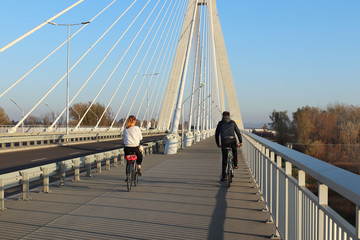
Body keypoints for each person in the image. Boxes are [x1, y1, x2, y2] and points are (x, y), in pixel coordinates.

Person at [215, 111, 242, 181]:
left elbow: (216, 134)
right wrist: (240, 142)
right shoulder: (232, 122)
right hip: (232, 140)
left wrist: (218, 143)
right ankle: (235, 164)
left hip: (224, 141)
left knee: (224, 159)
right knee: (234, 151)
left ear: (223, 116)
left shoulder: (220, 123)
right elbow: (238, 132)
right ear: (229, 116)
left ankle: (224, 176)